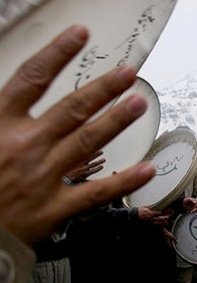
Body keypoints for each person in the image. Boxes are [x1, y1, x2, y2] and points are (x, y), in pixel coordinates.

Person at [0, 25, 156, 282]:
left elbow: (86, 220)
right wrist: (66, 179)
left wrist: (113, 200)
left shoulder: (76, 162)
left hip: (61, 265)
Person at [31, 151, 106, 283]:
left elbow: (77, 217)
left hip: (59, 264)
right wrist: (67, 179)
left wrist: (105, 195)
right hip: (32, 266)